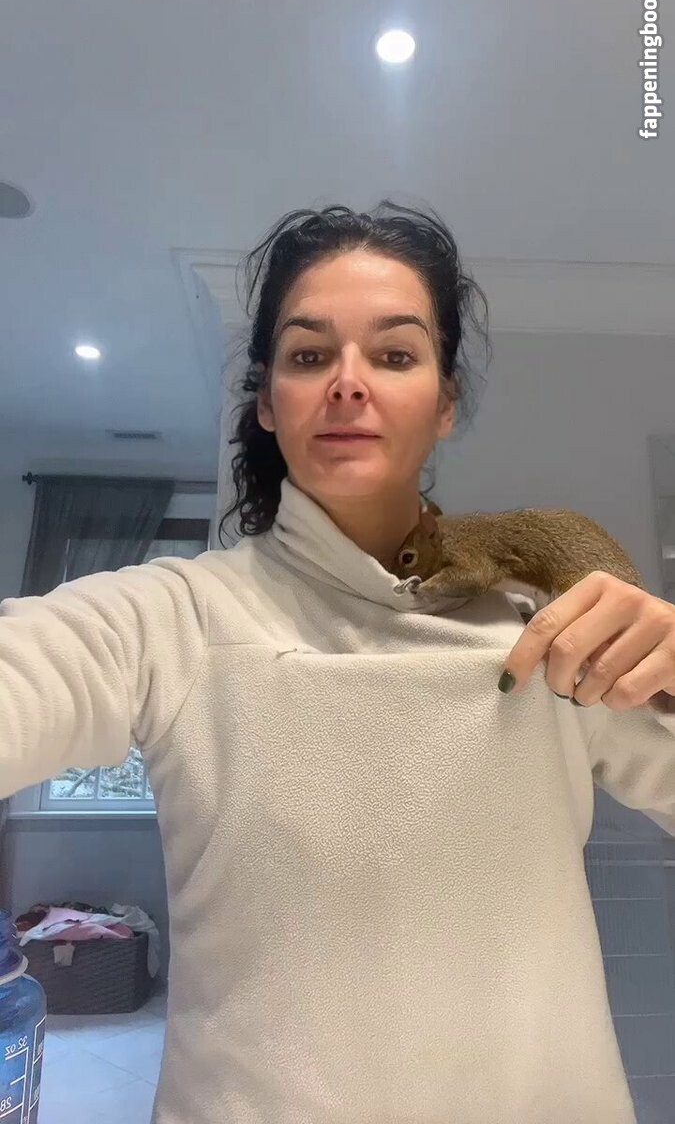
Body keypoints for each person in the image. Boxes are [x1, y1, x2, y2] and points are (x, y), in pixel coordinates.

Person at [1, 201, 674, 1124]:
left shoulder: (552, 632)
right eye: (309, 355)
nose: (348, 383)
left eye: (394, 355)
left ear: (444, 404)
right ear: (267, 402)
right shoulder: (168, 616)